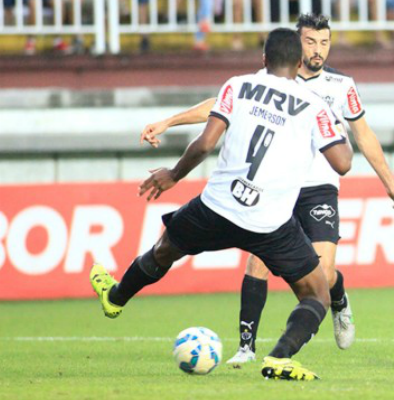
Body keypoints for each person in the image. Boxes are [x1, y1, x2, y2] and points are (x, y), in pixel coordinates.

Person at [139, 13, 394, 365]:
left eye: (325, 42)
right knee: (258, 262)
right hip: (273, 185)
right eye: (311, 42)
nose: (318, 50)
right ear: (297, 45)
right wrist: (168, 120)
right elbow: (217, 107)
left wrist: (391, 186)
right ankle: (246, 347)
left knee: (325, 275)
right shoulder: (267, 78)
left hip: (317, 188)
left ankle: (339, 298)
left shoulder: (341, 86)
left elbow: (364, 135)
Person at [90, 27, 353, 381]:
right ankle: (280, 356)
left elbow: (204, 143)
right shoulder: (315, 106)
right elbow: (342, 163)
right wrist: (335, 132)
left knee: (164, 249)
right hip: (270, 222)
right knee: (318, 294)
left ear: (264, 59)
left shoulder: (238, 85)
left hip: (217, 207)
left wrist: (174, 174)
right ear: (299, 62)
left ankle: (116, 298)